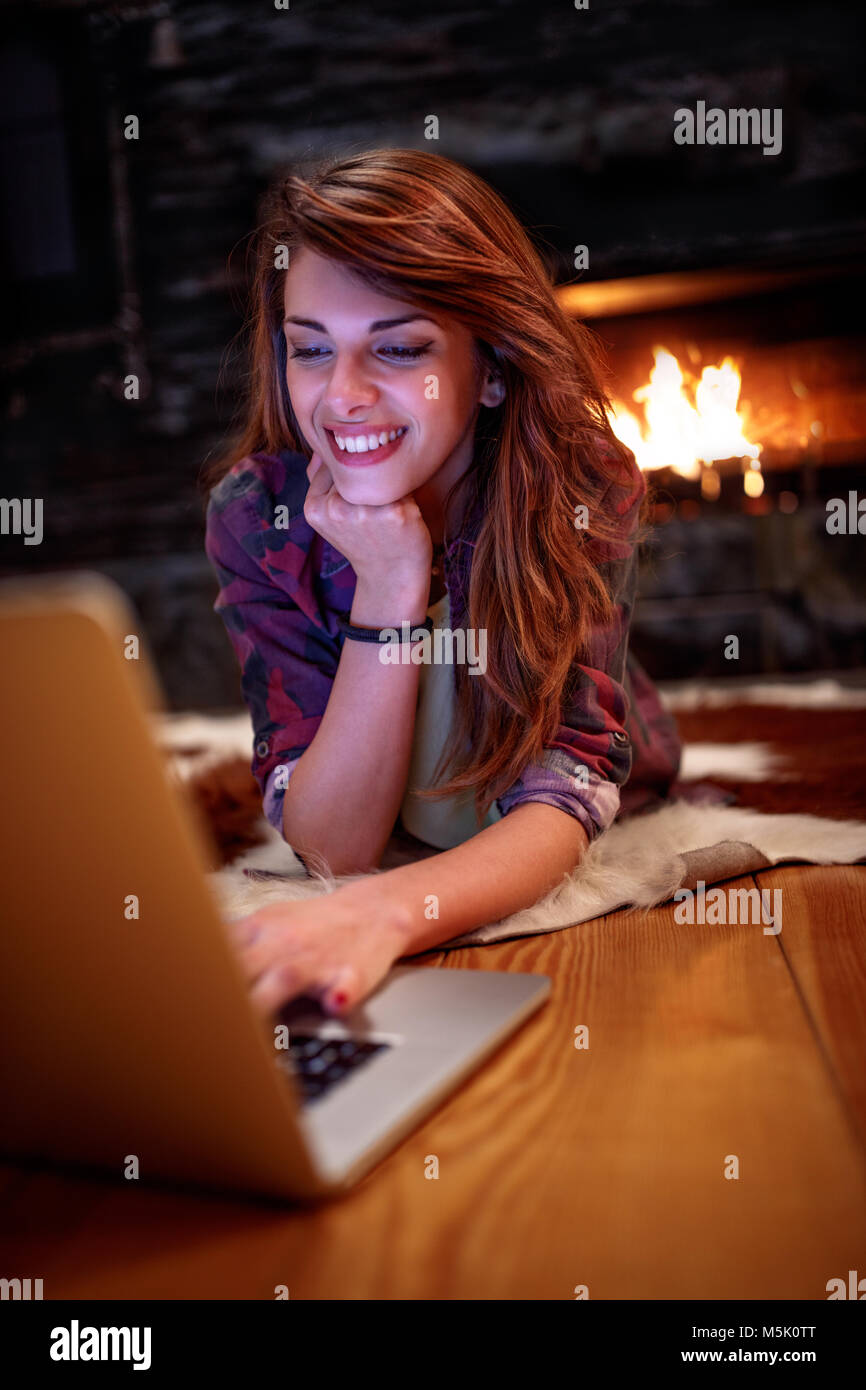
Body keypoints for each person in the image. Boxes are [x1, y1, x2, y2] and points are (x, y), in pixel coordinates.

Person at [203, 148, 682, 1019]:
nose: (341, 396)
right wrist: (386, 581)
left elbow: (566, 792)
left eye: (399, 349)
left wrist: (382, 915)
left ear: (491, 366)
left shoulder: (582, 485)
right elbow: (332, 847)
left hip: (609, 757)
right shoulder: (255, 517)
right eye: (310, 350)